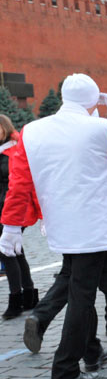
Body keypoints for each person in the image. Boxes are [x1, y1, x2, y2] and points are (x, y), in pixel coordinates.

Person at [1, 74, 107, 379]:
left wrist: (11, 227)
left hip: (59, 224)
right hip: (94, 225)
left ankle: (92, 351)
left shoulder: (32, 131)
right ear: (93, 101)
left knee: (73, 279)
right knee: (82, 296)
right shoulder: (101, 128)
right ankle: (65, 368)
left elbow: (20, 184)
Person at [0, 114, 37, 319]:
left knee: (7, 252)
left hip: (11, 207)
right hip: (4, 206)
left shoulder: (14, 150)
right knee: (15, 250)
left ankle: (16, 299)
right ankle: (29, 294)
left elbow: (19, 183)